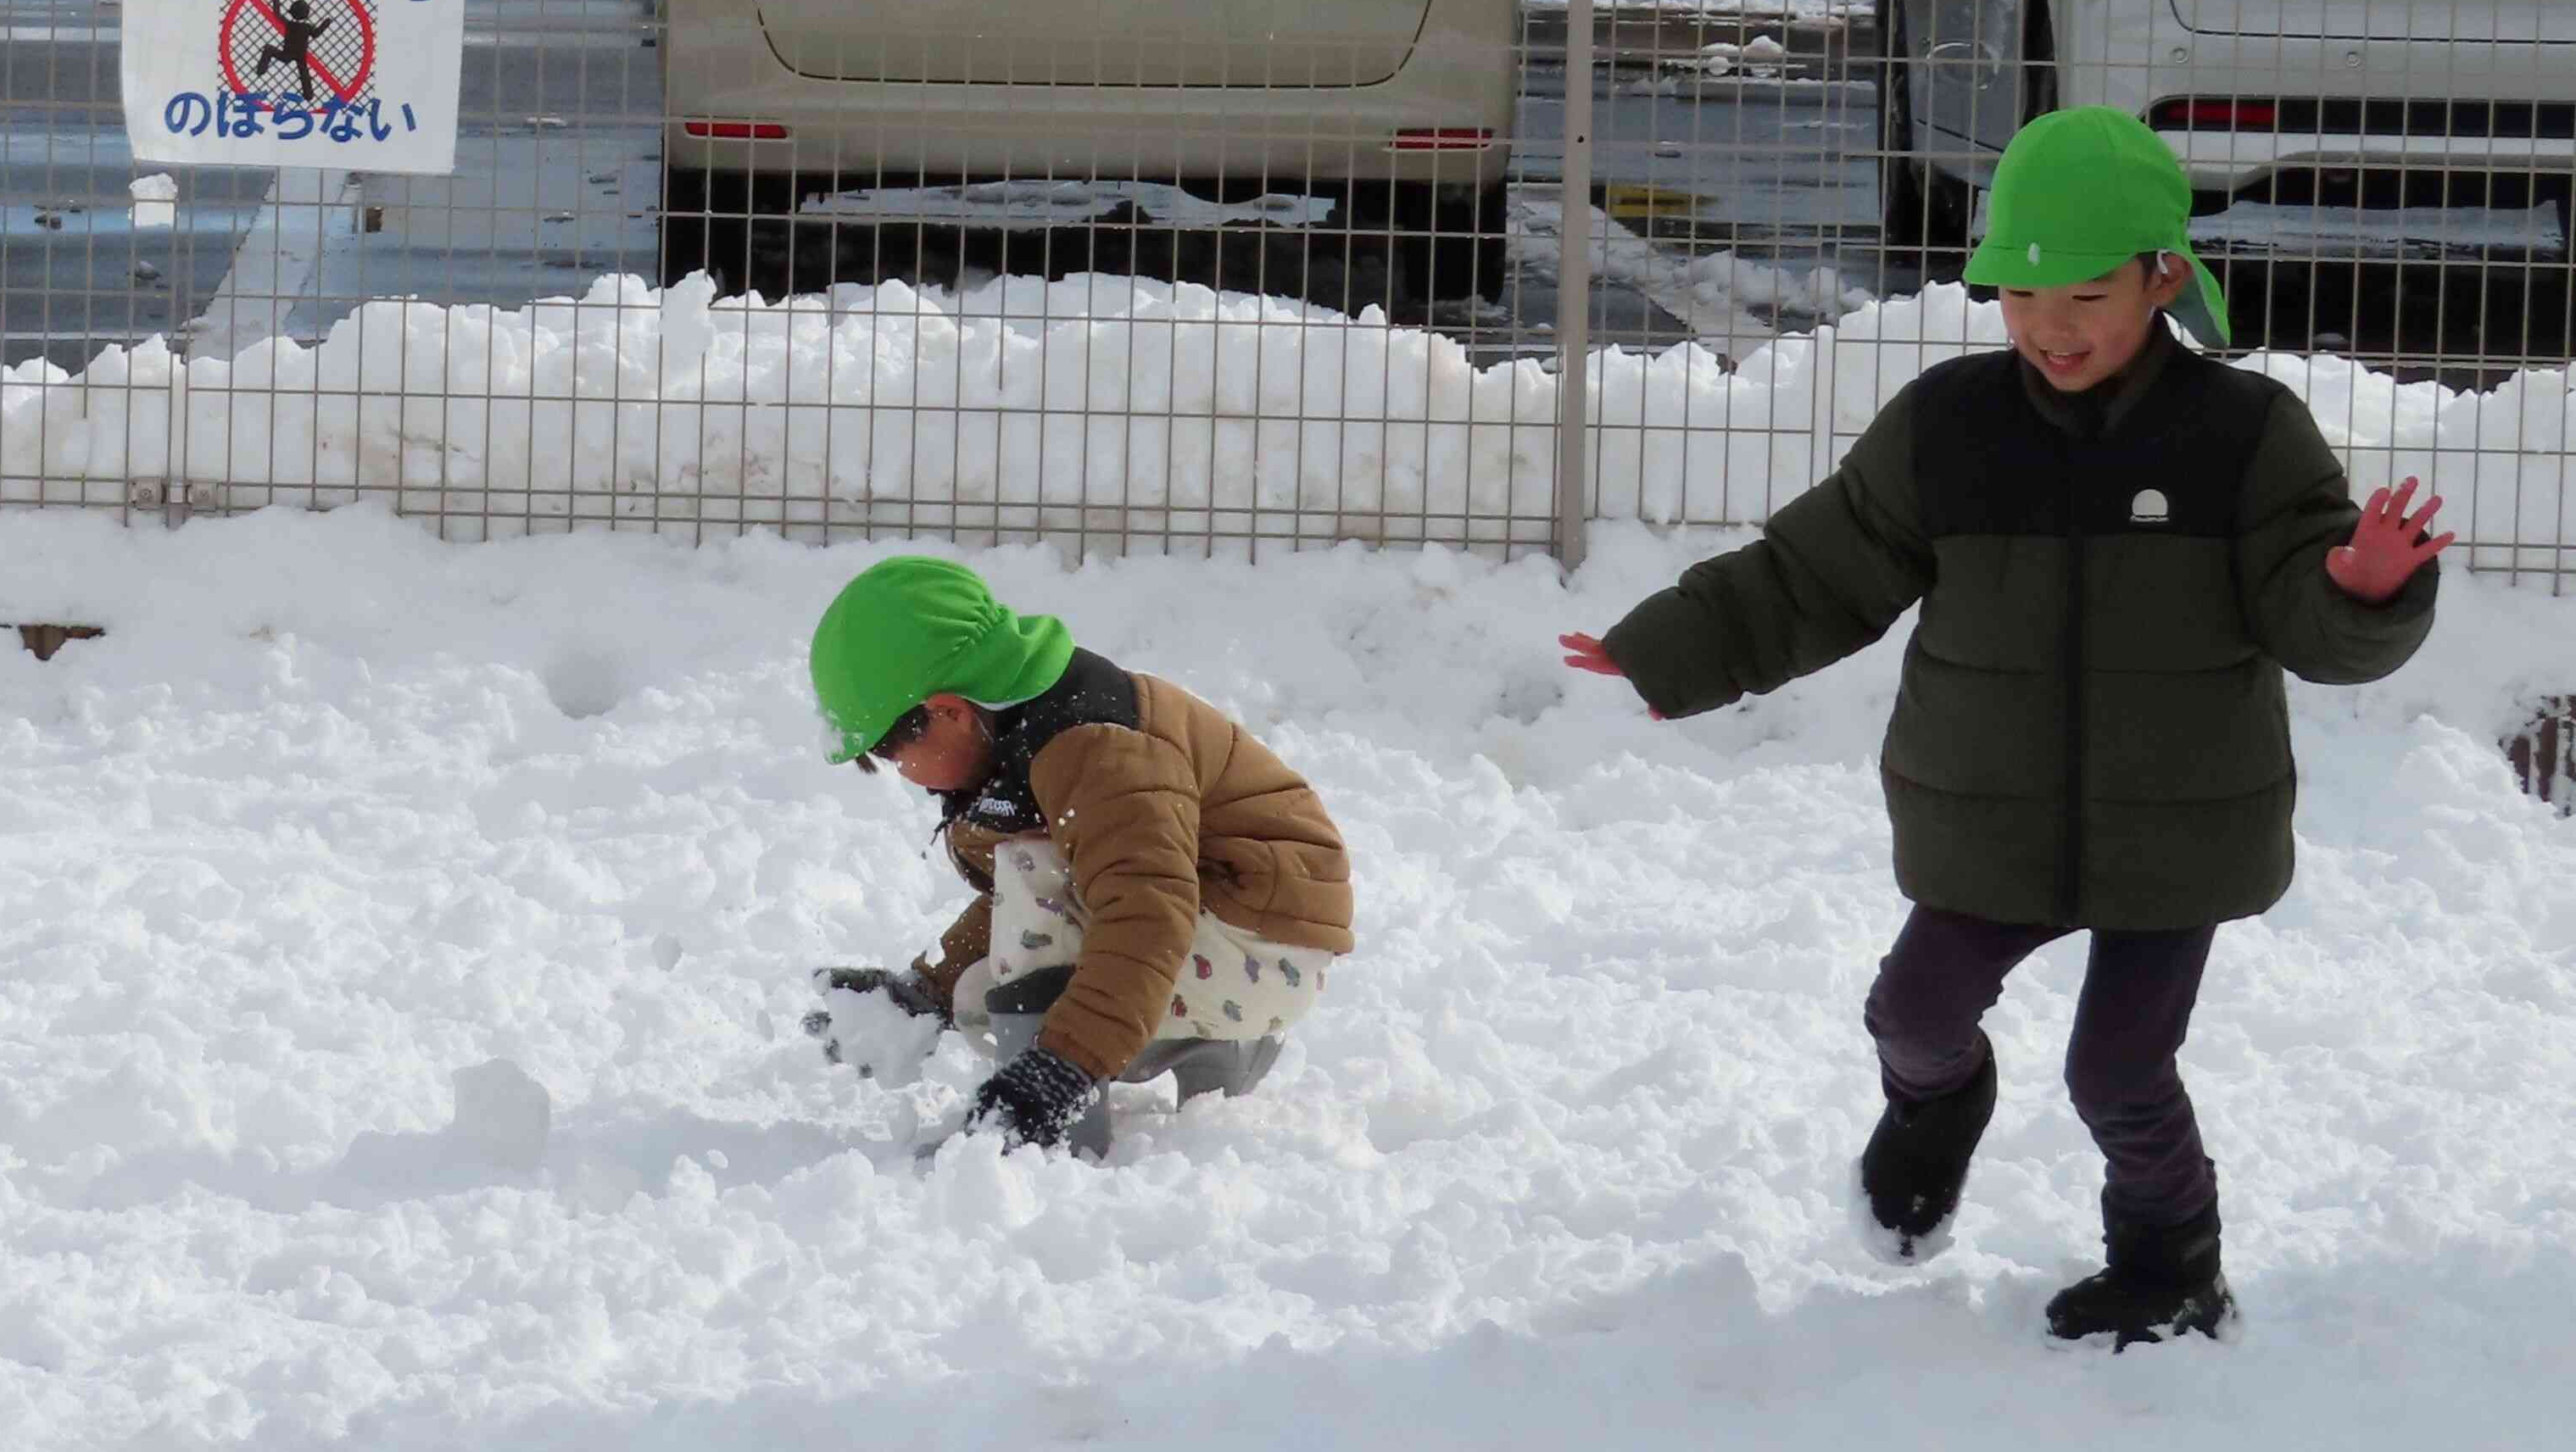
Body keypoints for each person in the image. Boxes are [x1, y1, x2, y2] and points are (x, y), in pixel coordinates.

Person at [1564, 108, 2446, 1347]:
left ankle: (2171, 1259)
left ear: (2164, 278)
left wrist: (2360, 587)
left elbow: (2305, 611)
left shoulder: (2245, 439)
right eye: (2020, 294)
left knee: (2118, 1072)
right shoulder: (1953, 428)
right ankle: (1937, 1111)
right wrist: (1669, 648)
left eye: (2086, 291)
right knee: (1912, 1018)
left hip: (2174, 830)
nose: (2050, 326)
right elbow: (1820, 573)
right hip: (1990, 812)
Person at [806, 554, 1356, 1161]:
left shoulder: (1093, 748)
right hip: (1228, 934)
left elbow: (1145, 914)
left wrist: (1059, 1069)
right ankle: (1210, 1050)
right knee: (989, 967)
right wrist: (927, 992)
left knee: (1029, 926)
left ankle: (1043, 1137)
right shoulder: (1030, 729)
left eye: (889, 750)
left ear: (950, 712)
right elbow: (1060, 892)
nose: (900, 772)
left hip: (1263, 948)